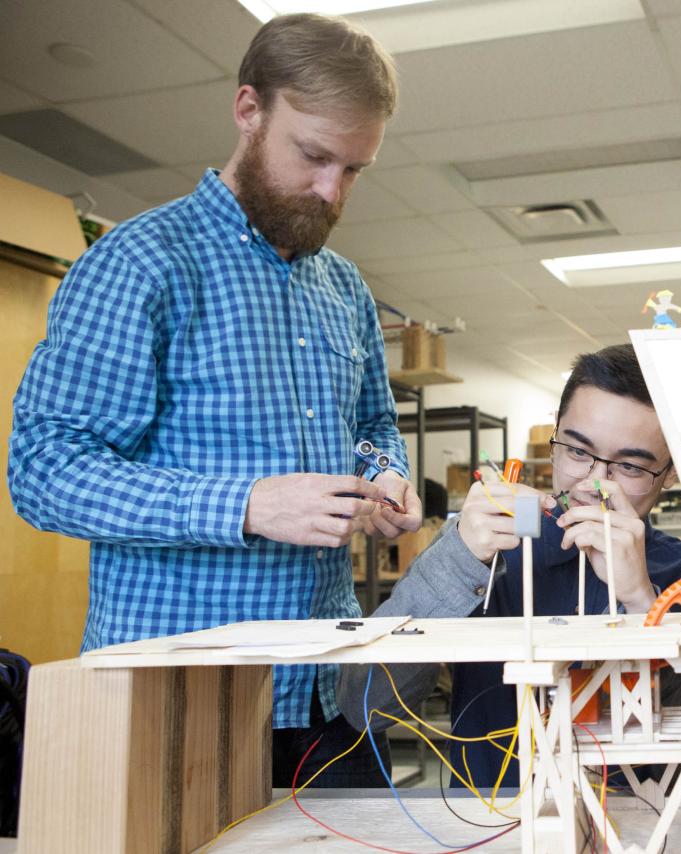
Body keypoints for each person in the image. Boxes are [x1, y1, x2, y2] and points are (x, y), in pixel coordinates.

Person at [7, 13, 420, 787]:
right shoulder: (138, 263)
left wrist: (387, 473)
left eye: (356, 169)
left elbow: (371, 426)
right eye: (314, 156)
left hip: (323, 698)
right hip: (177, 699)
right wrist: (245, 505)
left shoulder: (345, 288)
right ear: (248, 110)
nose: (332, 191)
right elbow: (43, 470)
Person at [336, 344, 681, 788]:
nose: (593, 484)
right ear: (553, 442)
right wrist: (456, 564)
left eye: (628, 466)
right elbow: (363, 706)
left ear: (670, 474)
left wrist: (641, 602)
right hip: (485, 827)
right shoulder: (488, 547)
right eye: (576, 451)